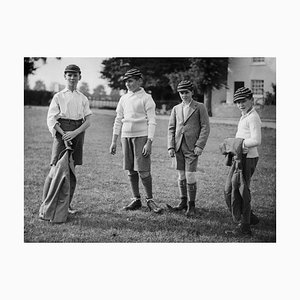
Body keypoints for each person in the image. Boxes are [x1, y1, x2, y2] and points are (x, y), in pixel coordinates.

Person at [109, 68, 162, 213]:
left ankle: (150, 200)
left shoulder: (146, 98)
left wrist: (149, 142)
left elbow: (152, 121)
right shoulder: (123, 98)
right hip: (125, 137)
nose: (128, 84)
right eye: (126, 81)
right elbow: (118, 119)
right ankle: (136, 199)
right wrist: (114, 140)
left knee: (143, 171)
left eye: (131, 80)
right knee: (131, 170)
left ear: (139, 81)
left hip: (142, 137)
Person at [42, 64, 92, 216]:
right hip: (61, 131)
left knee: (71, 170)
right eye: (69, 75)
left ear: (79, 77)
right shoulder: (58, 96)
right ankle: (46, 204)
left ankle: (66, 206)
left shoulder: (83, 98)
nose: (72, 78)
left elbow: (88, 120)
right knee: (55, 168)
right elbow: (51, 118)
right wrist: (64, 134)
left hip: (77, 132)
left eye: (75, 75)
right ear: (65, 77)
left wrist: (75, 133)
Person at [167, 80, 210, 217]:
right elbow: (171, 129)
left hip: (192, 148)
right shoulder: (176, 108)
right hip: (178, 146)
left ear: (192, 92)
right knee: (181, 175)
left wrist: (199, 145)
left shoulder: (200, 107)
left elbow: (205, 127)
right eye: (181, 93)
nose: (184, 95)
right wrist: (171, 146)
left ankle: (192, 205)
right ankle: (182, 202)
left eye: (186, 92)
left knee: (190, 174)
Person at [225, 87, 261, 236]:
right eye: (238, 102)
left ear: (251, 100)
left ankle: (245, 227)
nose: (241, 104)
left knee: (242, 192)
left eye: (244, 101)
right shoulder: (244, 115)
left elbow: (257, 140)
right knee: (229, 189)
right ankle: (249, 217)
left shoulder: (253, 117)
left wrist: (239, 144)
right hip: (239, 157)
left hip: (248, 158)